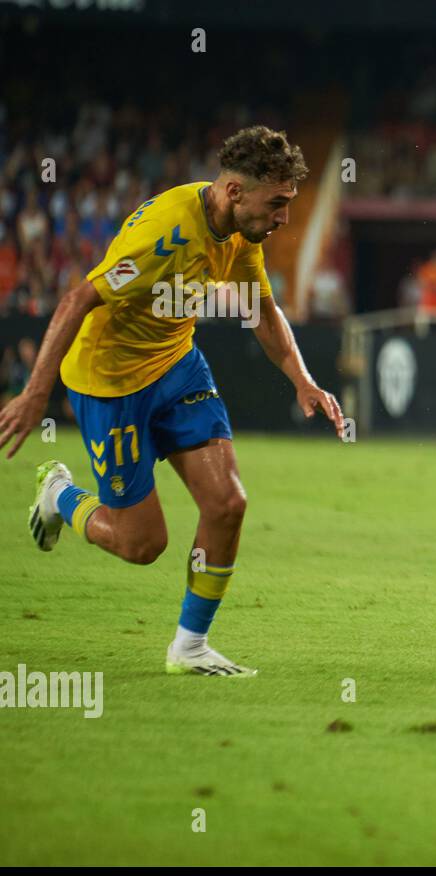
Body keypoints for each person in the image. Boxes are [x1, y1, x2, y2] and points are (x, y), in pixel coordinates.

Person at [0, 126, 346, 677]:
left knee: (228, 503)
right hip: (109, 381)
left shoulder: (238, 235)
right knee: (142, 544)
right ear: (235, 192)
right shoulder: (166, 233)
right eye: (277, 204)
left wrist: (302, 380)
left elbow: (261, 309)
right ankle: (60, 495)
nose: (283, 218)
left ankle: (189, 646)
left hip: (177, 366)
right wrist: (36, 391)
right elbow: (77, 299)